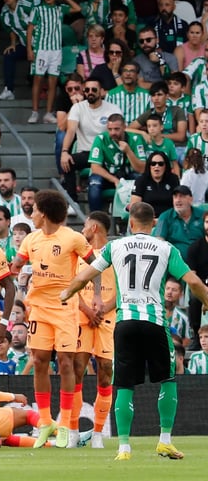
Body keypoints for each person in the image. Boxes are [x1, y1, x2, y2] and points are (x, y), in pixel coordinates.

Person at [61, 201, 208, 461]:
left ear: (130, 223)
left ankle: (124, 448)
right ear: (153, 223)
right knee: (167, 379)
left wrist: (66, 293)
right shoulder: (166, 248)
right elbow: (193, 281)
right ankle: (164, 441)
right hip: (155, 322)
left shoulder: (116, 246)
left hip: (125, 322)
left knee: (125, 384)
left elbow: (85, 275)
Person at [11, 190, 96, 449]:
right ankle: (46, 422)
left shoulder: (73, 238)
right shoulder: (31, 240)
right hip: (38, 308)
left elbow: (96, 264)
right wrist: (17, 274)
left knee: (65, 363)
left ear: (44, 212)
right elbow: (16, 265)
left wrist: (98, 299)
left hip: (65, 307)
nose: (31, 214)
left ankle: (67, 423)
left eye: (34, 210)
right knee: (38, 361)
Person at [72, 210, 117, 450]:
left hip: (107, 319)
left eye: (85, 226)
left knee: (105, 370)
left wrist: (103, 309)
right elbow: (73, 286)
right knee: (77, 369)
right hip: (82, 317)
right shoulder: (79, 254)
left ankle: (98, 432)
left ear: (95, 228)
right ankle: (72, 430)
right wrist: (89, 311)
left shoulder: (116, 254)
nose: (82, 230)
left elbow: (123, 290)